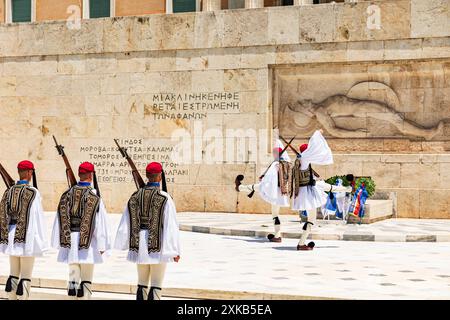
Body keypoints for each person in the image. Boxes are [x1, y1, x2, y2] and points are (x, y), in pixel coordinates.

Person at [115, 162, 181, 300]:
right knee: (156, 284)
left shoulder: (134, 196)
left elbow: (125, 222)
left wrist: (122, 244)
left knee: (141, 283)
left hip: (139, 245)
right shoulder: (165, 198)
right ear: (160, 177)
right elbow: (171, 226)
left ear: (147, 176)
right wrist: (174, 250)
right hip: (158, 246)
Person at [51, 162, 111, 300]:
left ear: (79, 174)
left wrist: (59, 242)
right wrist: (102, 245)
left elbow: (59, 219)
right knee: (86, 281)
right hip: (88, 245)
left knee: (72, 280)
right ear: (91, 175)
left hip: (70, 243)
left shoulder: (66, 194)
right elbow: (100, 223)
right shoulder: (94, 197)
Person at [291, 130, 351, 250]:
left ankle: (345, 189)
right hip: (307, 193)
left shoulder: (301, 160)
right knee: (311, 219)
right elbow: (313, 146)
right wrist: (317, 133)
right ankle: (301, 243)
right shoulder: (304, 159)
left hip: (307, 191)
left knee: (324, 187)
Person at [0, 160, 47, 300]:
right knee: (26, 275)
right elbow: (37, 217)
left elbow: (3, 215)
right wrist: (40, 240)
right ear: (29, 172)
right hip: (27, 236)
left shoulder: (8, 191)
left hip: (11, 236)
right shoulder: (33, 192)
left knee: (13, 273)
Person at [235, 147, 291, 243]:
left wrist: (263, 179)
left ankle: (239, 187)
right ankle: (277, 235)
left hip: (272, 189)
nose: (273, 154)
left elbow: (269, 177)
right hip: (281, 192)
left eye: (274, 153)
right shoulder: (286, 163)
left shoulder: (275, 164)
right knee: (275, 214)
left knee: (255, 187)